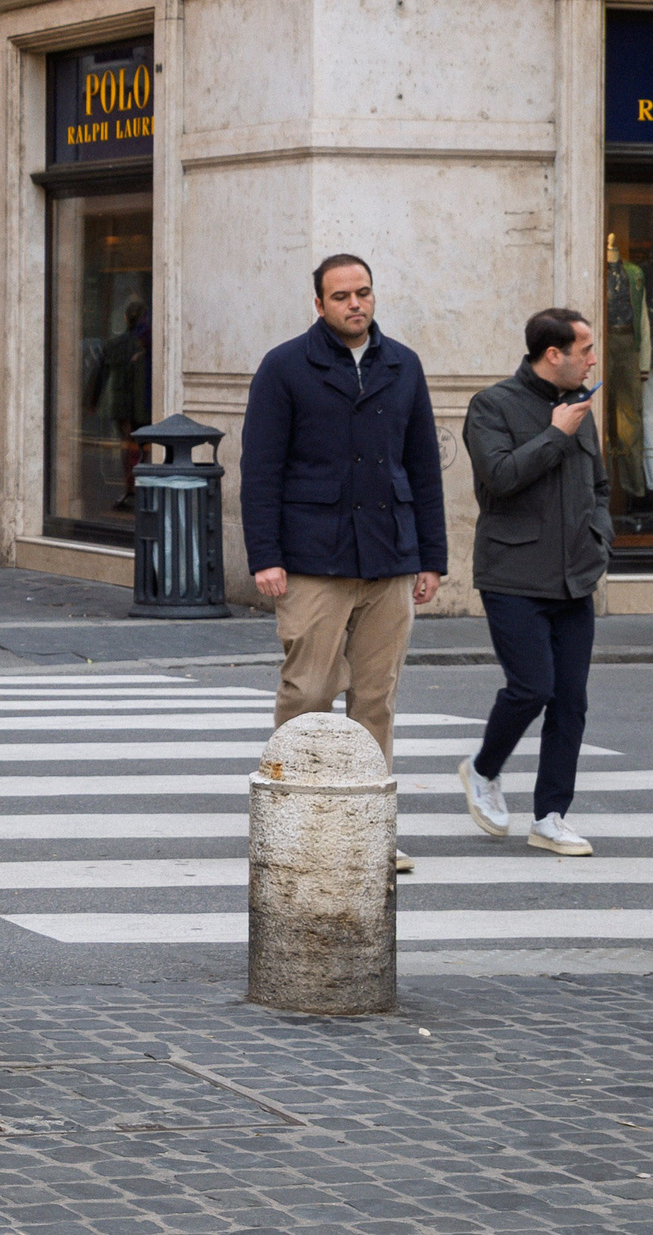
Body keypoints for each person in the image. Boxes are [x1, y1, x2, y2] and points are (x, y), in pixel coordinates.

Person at [239, 254, 447, 875]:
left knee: (376, 699)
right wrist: (265, 557)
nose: (355, 304)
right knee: (308, 692)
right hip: (311, 559)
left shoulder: (402, 364)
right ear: (319, 304)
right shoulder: (284, 367)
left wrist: (430, 558)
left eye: (363, 293)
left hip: (388, 556)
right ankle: (296, 819)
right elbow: (261, 471)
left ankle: (369, 829)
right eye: (341, 296)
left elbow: (424, 466)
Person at [460, 308, 610, 859]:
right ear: (554, 355)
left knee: (571, 701)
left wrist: (600, 539)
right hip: (513, 574)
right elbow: (499, 481)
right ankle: (482, 770)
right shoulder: (492, 406)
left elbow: (599, 486)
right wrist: (553, 435)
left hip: (575, 577)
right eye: (585, 350)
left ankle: (550, 816)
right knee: (532, 687)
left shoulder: (581, 408)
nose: (592, 360)